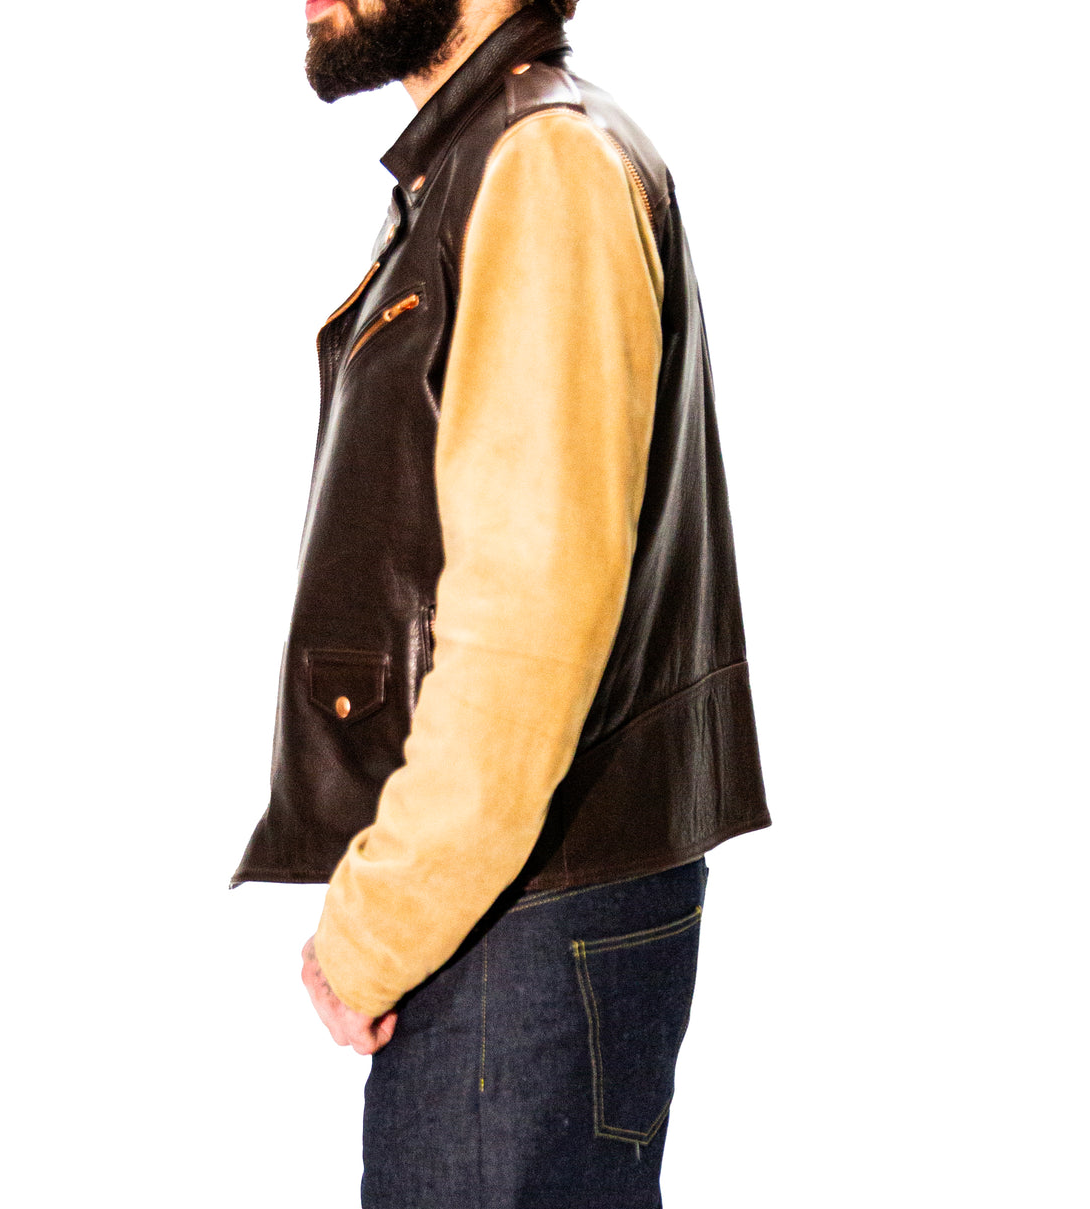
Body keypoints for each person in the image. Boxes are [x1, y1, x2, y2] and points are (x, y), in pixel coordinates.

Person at [230, 0, 772, 1203]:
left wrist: (376, 925)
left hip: (518, 920)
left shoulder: (540, 167)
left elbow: (528, 623)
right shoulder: (498, 160)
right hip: (525, 913)